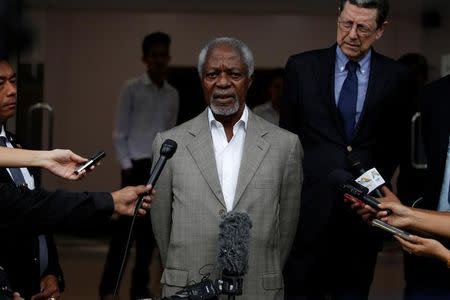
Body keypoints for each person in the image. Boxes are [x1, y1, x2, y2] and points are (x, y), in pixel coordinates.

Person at [280, 0, 413, 298]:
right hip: (307, 214)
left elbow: (394, 148)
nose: (352, 34)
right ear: (339, 17)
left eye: (363, 27)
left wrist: (370, 192)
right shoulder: (301, 68)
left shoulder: (397, 78)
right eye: (346, 24)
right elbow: (287, 142)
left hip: (361, 217)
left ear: (380, 30)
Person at [151, 37, 302, 300]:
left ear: (249, 80)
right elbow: (162, 224)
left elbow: (286, 230)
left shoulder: (285, 146)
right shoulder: (169, 143)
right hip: (188, 285)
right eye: (212, 74)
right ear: (202, 80)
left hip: (258, 288)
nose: (222, 83)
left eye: (233, 74)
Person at [347, 75, 450, 298]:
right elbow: (417, 170)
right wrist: (405, 211)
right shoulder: (435, 94)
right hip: (430, 248)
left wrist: (445, 254)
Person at [103, 31, 179, 300]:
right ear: (145, 58)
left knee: (150, 237)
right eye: (154, 55)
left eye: (163, 55)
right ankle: (108, 290)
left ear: (168, 57)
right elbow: (119, 133)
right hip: (134, 167)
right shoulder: (131, 88)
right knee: (123, 236)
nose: (159, 60)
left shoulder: (172, 94)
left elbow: (171, 134)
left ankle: (139, 290)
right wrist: (127, 167)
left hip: (158, 168)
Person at [0, 58, 66, 300]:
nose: (13, 90)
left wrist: (50, 272)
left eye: (14, 81)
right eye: (1, 84)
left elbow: (39, 213)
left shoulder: (21, 146)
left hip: (34, 287)